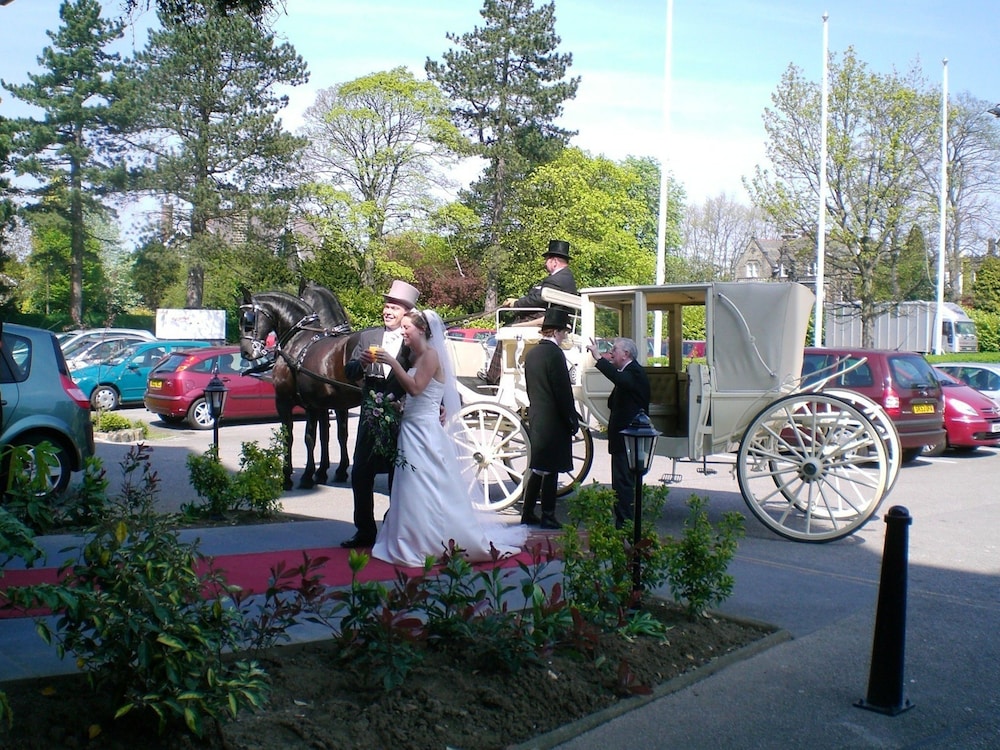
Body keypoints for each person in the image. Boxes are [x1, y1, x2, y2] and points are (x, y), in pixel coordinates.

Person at [371, 309, 528, 566]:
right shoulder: (416, 356)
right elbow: (415, 396)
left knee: (425, 485)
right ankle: (412, 538)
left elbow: (416, 387)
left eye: (407, 327)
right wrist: (392, 406)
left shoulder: (430, 355)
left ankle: (434, 540)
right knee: (410, 487)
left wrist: (391, 362)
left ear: (421, 330)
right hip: (411, 426)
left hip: (424, 432)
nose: (403, 332)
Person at [340, 279, 420, 548]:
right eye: (386, 307)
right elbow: (348, 372)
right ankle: (364, 530)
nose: (388, 312)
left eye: (394, 308)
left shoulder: (412, 342)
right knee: (361, 471)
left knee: (399, 474)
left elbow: (426, 375)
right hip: (370, 411)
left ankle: (393, 525)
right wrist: (359, 364)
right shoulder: (367, 337)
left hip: (400, 412)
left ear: (405, 313)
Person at [520, 307, 579, 529]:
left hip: (537, 414)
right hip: (553, 417)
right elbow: (562, 391)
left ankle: (527, 512)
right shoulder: (555, 355)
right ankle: (547, 513)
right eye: (563, 331)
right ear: (555, 332)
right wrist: (571, 418)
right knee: (551, 467)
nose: (564, 335)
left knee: (538, 466)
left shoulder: (532, 354)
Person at [585, 337, 651, 528]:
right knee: (622, 483)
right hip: (625, 439)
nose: (612, 352)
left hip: (628, 440)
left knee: (623, 483)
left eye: (615, 349)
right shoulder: (628, 372)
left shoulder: (634, 372)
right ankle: (625, 523)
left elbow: (618, 379)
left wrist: (598, 358)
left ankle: (624, 526)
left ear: (626, 354)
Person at [503, 238, 578, 315]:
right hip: (560, 319)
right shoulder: (567, 277)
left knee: (505, 327)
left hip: (549, 320)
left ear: (554, 261)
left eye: (546, 260)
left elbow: (537, 300)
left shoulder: (555, 280)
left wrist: (515, 303)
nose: (545, 264)